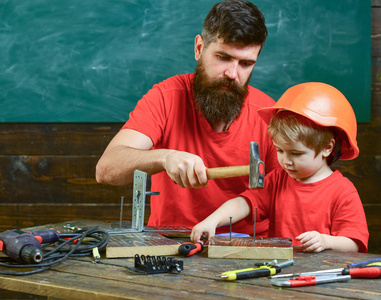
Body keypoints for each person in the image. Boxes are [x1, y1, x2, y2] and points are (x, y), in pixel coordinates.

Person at [96, 0, 280, 236]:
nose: (232, 74)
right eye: (223, 57)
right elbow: (106, 169)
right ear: (199, 48)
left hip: (246, 248)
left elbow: (288, 193)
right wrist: (166, 157)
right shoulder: (166, 97)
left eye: (246, 64)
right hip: (170, 243)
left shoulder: (268, 113)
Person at [191, 82, 369, 253]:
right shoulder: (278, 179)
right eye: (280, 150)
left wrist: (326, 241)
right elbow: (243, 203)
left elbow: (354, 243)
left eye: (296, 154)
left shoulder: (343, 192)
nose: (286, 161)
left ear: (327, 148)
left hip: (323, 276)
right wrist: (212, 220)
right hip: (278, 270)